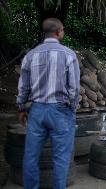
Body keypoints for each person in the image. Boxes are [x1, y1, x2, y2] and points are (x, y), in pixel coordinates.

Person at [16, 18, 80, 189]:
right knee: (61, 159)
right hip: (60, 111)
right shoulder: (68, 54)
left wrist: (22, 108)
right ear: (58, 32)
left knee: (30, 156)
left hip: (36, 111)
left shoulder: (31, 55)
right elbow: (74, 88)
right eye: (63, 30)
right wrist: (71, 109)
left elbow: (23, 87)